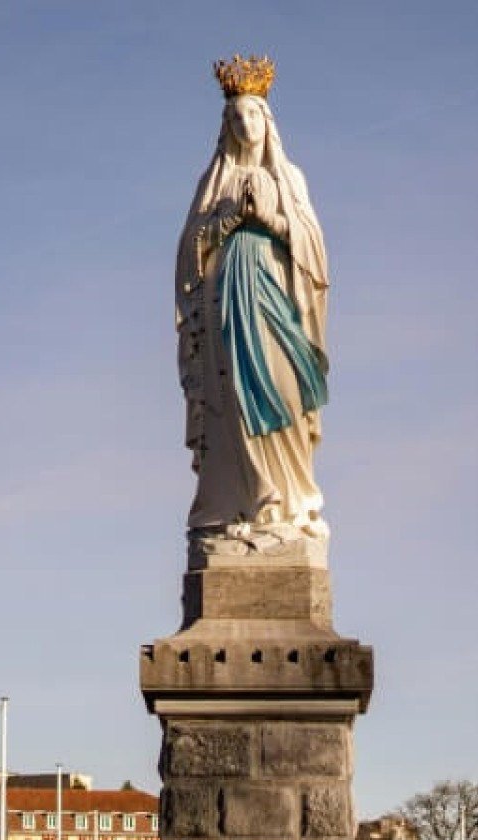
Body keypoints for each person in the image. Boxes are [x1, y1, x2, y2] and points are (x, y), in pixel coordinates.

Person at [176, 56, 331, 549]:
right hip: (226, 306)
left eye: (253, 114)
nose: (245, 123)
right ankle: (245, 501)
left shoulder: (291, 180)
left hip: (276, 299)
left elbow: (315, 254)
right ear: (228, 125)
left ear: (267, 122)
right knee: (236, 405)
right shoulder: (214, 180)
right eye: (236, 116)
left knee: (283, 392)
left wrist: (271, 220)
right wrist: (222, 222)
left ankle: (288, 503)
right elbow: (189, 250)